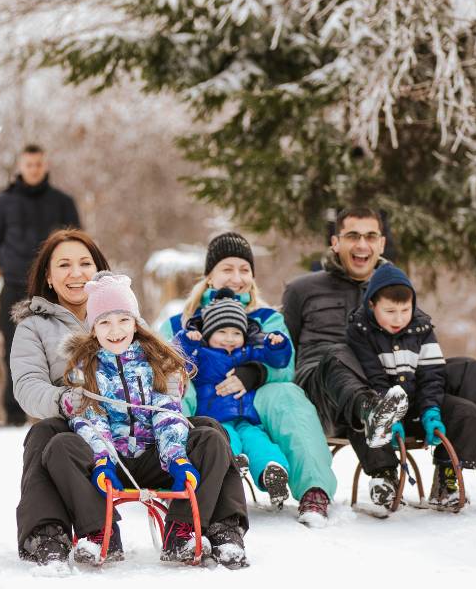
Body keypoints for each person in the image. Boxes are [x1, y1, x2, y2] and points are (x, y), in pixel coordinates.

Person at [10, 229, 244, 566]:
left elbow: (164, 367)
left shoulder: (121, 307)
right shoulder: (35, 327)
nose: (76, 273)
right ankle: (52, 532)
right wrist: (66, 399)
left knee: (210, 431)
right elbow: (28, 385)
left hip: (147, 431)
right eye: (64, 265)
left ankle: (216, 527)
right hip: (81, 425)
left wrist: (177, 391)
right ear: (48, 275)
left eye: (84, 263)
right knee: (45, 435)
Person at [282, 207, 476, 518]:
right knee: (337, 353)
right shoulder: (303, 289)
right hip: (331, 390)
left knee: (473, 370)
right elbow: (283, 354)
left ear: (382, 243)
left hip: (390, 381)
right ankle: (375, 413)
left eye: (370, 236)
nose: (363, 245)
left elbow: (414, 344)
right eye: (353, 236)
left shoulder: (394, 288)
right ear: (335, 242)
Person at [56, 272, 249, 568]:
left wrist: (177, 460)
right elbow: (90, 419)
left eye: (123, 319)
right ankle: (99, 532)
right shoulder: (85, 369)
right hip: (111, 462)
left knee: (211, 437)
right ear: (93, 329)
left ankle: (181, 529)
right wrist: (103, 462)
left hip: (154, 457)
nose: (115, 330)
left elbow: (167, 414)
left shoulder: (159, 362)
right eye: (104, 322)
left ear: (135, 322)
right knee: (63, 446)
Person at [159, 232, 338, 527]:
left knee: (287, 394)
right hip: (204, 402)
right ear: (209, 275)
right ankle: (175, 474)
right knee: (175, 387)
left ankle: (313, 489)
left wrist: (255, 372)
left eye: (244, 270)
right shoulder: (179, 323)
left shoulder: (267, 318)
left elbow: (286, 365)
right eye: (227, 269)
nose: (237, 277)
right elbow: (162, 365)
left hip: (255, 402)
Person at [344, 263, 476, 510]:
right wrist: (388, 413)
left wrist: (431, 410)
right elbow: (372, 378)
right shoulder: (359, 331)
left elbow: (432, 375)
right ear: (372, 305)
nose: (399, 319)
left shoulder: (422, 329)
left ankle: (445, 478)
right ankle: (384, 477)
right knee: (365, 418)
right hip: (380, 403)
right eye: (390, 311)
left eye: (405, 310)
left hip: (416, 406)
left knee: (465, 411)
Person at [173, 288, 294, 508]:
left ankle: (272, 471)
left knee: (259, 441)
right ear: (208, 334)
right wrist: (188, 341)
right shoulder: (202, 355)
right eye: (222, 332)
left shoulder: (247, 353)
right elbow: (178, 356)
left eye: (236, 333)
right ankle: (232, 462)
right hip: (215, 420)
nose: (230, 339)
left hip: (246, 418)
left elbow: (277, 360)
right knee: (227, 439)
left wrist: (277, 345)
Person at [0, 143, 81, 426]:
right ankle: (14, 416)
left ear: (46, 165)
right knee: (13, 348)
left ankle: (63, 409)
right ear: (20, 166)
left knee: (63, 349)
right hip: (15, 286)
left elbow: (75, 241)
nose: (34, 169)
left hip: (53, 289)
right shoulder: (4, 202)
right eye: (29, 165)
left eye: (38, 164)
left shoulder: (63, 202)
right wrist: (12, 265)